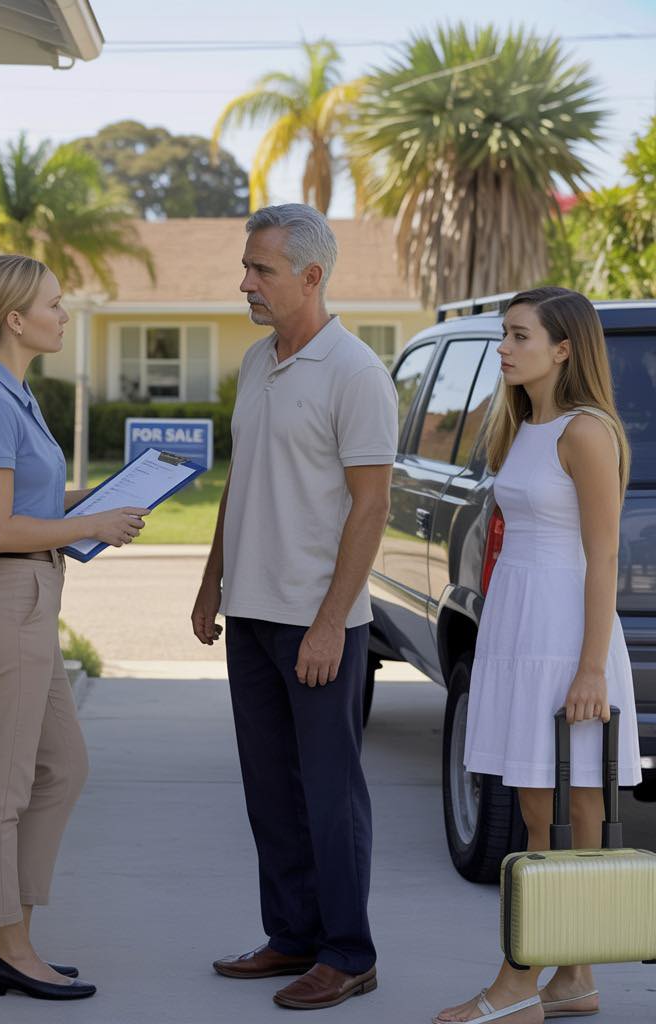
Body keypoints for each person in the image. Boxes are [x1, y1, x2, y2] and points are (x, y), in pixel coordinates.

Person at [191, 204, 398, 1012]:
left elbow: (371, 505)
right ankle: (291, 936)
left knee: (330, 791)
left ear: (312, 277)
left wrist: (329, 621)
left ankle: (349, 952)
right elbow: (241, 482)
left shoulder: (355, 372)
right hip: (250, 613)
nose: (246, 282)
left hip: (320, 623)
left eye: (263, 270)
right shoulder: (255, 362)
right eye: (247, 267)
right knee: (268, 788)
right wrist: (212, 582)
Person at [433, 287, 641, 1024]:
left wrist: (591, 669)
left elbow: (603, 553)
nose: (505, 347)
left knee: (579, 804)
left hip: (565, 635)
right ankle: (573, 977)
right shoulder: (525, 426)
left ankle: (519, 981)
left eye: (519, 336)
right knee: (533, 805)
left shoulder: (586, 432)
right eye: (505, 335)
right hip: (518, 627)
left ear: (563, 348)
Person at [0, 254, 148, 1002]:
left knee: (62, 767)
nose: (64, 315)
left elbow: (23, 498)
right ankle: (8, 943)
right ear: (15, 320)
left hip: (33, 594)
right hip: (9, 597)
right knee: (3, 788)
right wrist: (90, 520)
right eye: (54, 305)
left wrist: (94, 497)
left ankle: (14, 934)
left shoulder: (14, 394)